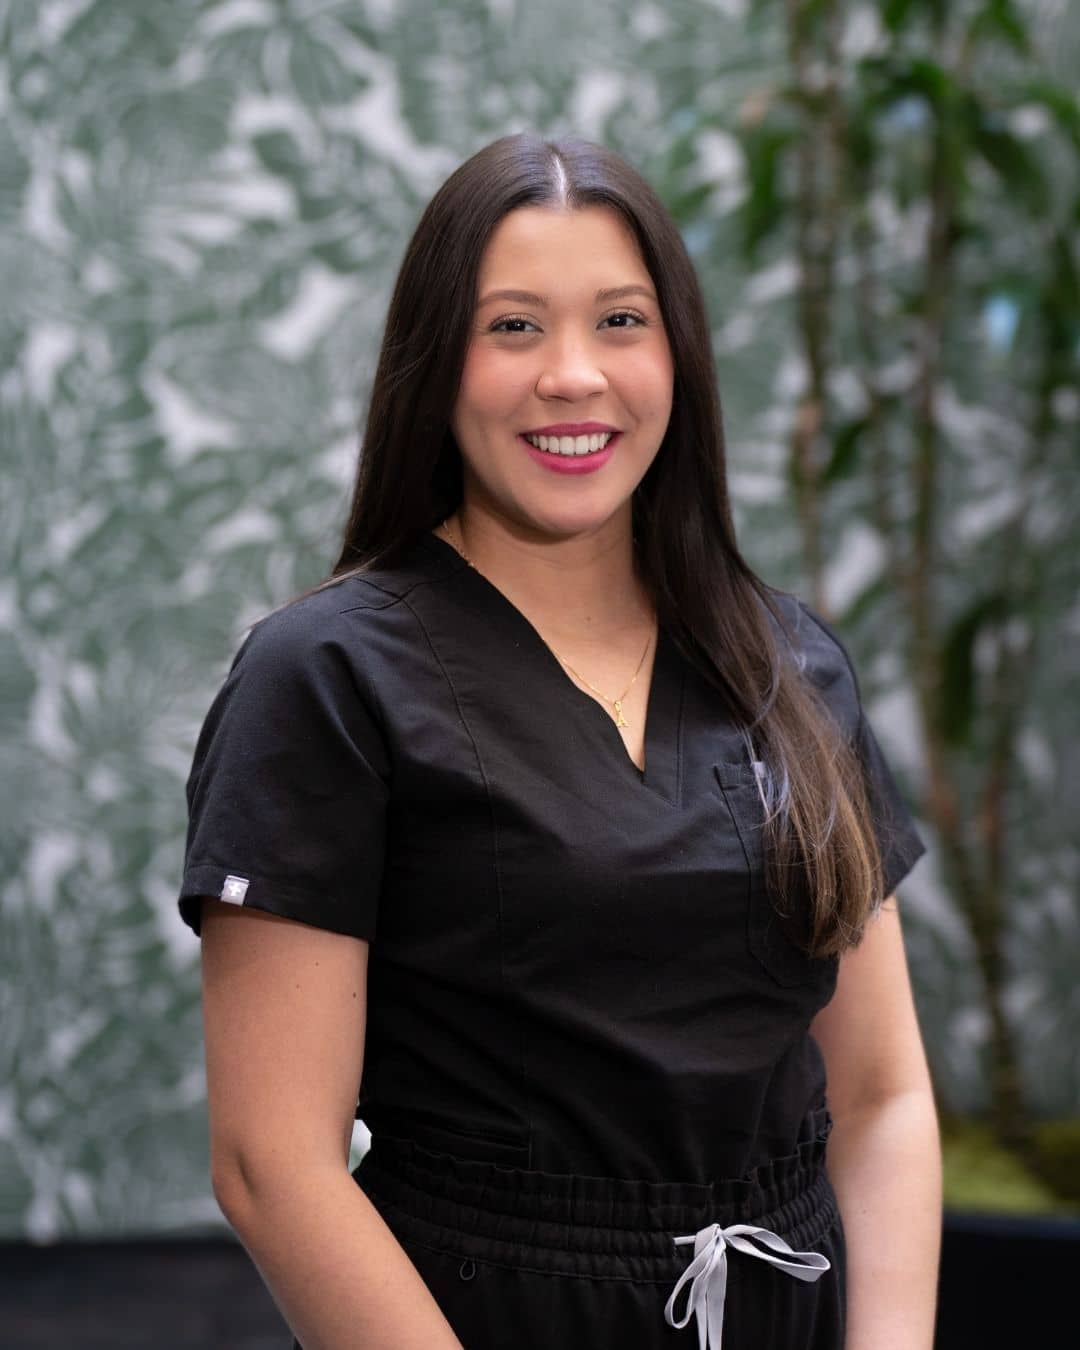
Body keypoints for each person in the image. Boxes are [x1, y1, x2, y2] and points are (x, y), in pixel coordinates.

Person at [177, 132, 942, 1350]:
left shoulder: (793, 666)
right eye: (515, 328)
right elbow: (272, 1165)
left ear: (679, 357)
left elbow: (884, 1095)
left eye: (621, 322)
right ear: (436, 365)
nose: (574, 376)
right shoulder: (324, 678)